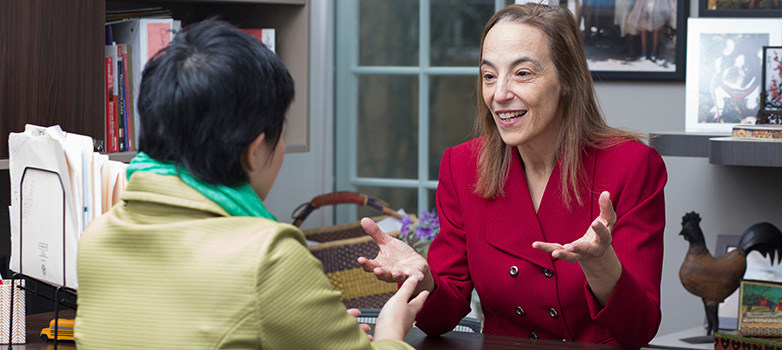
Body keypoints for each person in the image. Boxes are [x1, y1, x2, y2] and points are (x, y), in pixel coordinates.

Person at [74, 19, 427, 349]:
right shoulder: (267, 256)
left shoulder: (96, 238)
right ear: (255, 152)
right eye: (280, 137)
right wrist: (390, 332)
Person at [357, 4, 666, 348]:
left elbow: (639, 330)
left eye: (522, 73)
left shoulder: (633, 165)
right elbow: (440, 318)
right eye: (489, 76)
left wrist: (601, 267)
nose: (499, 94)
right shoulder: (462, 166)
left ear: (567, 80)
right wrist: (422, 277)